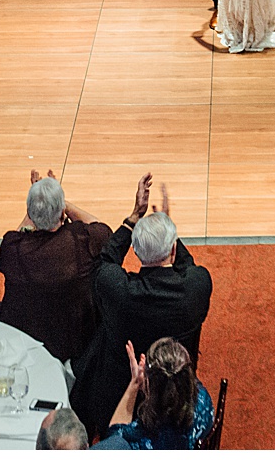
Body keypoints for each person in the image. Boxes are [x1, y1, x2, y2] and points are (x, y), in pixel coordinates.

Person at [70, 177, 213, 442]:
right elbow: (188, 269)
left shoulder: (117, 290)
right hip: (177, 396)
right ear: (172, 249)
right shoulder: (197, 287)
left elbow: (106, 260)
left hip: (119, 395)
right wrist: (169, 230)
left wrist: (133, 217)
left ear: (135, 251)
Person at [0, 170, 113, 365]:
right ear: (61, 212)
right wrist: (62, 203)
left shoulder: (12, 247)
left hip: (27, 339)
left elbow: (20, 231)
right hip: (76, 342)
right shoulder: (81, 239)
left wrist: (35, 206)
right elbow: (103, 228)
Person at [96, 335, 214, 450]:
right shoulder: (205, 401)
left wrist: (135, 383)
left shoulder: (141, 440)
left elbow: (114, 438)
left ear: (148, 386)